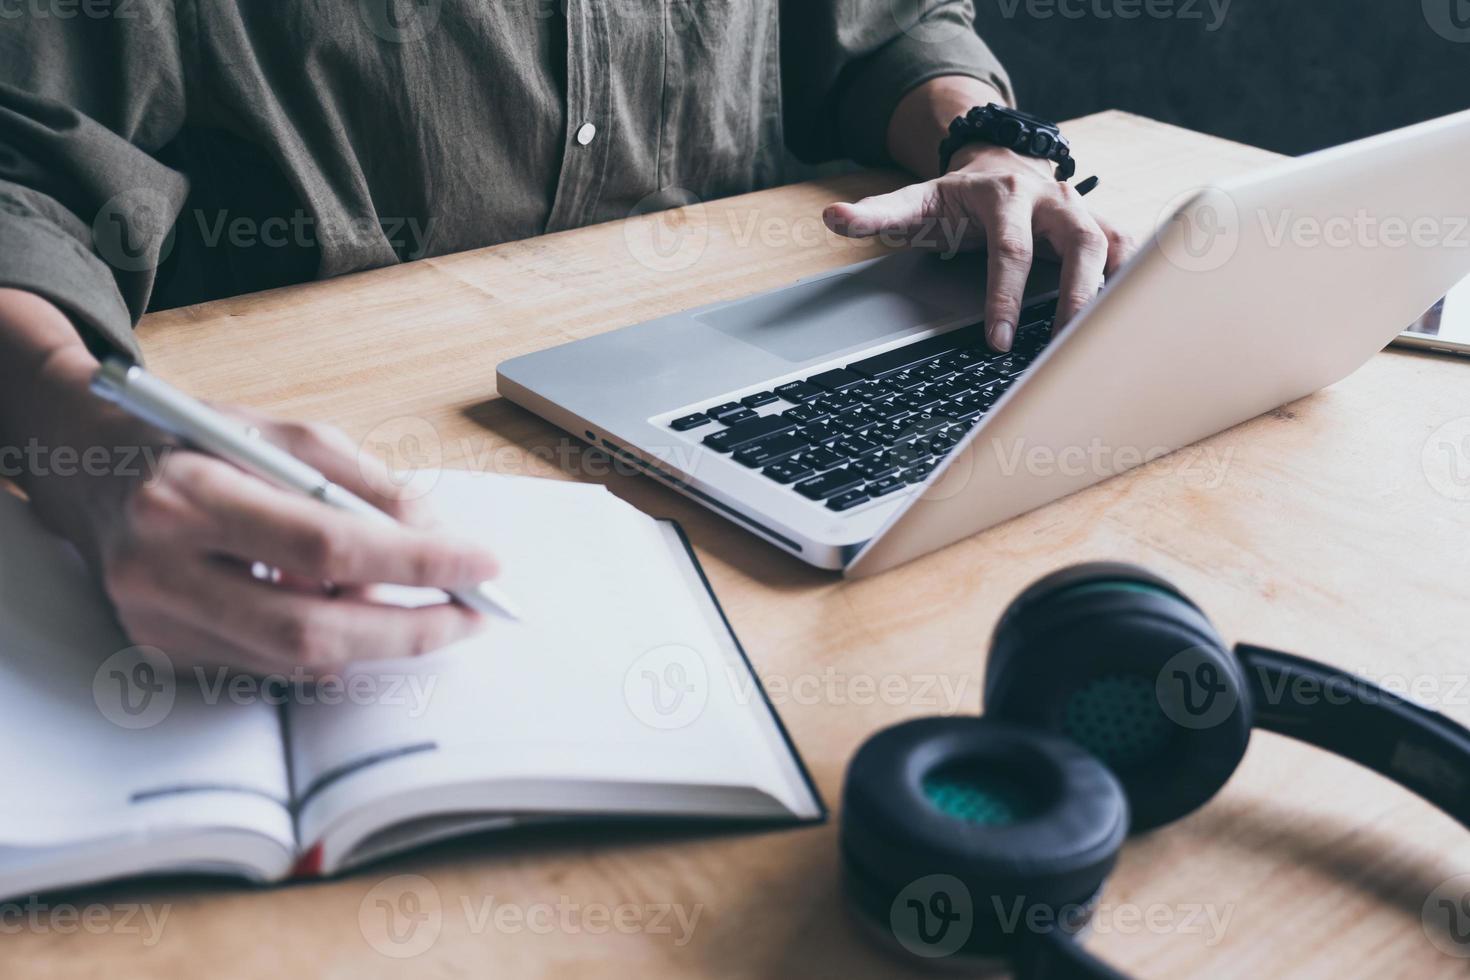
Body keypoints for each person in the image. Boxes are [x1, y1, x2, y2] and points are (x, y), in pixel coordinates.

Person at [0, 2, 1133, 675]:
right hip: (343, 479)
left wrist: (981, 143)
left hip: (796, 362)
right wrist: (74, 430)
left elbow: (880, 31)